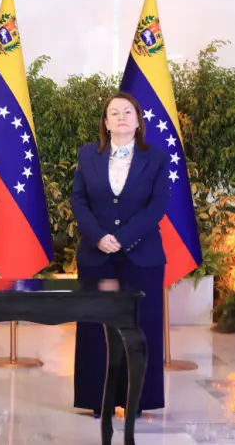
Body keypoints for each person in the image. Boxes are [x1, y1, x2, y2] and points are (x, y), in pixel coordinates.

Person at [71, 91, 169, 417]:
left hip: (142, 256)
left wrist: (123, 238)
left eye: (128, 112)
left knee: (142, 327)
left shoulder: (156, 158)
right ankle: (97, 399)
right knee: (95, 327)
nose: (121, 117)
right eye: (114, 113)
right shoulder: (88, 155)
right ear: (106, 122)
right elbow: (79, 201)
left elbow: (157, 205)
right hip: (96, 255)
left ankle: (137, 401)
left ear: (139, 121)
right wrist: (99, 237)